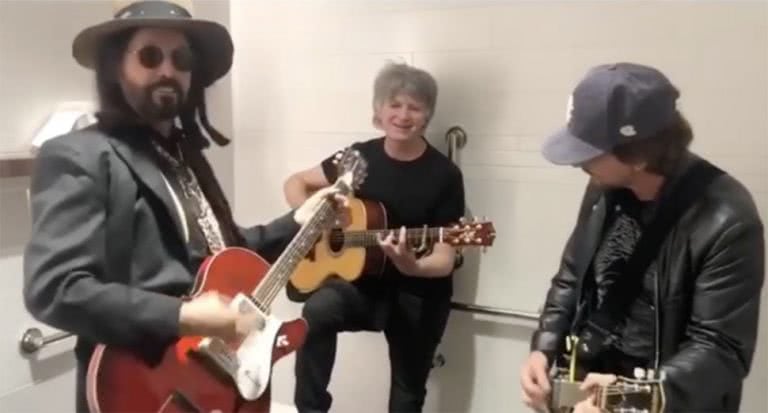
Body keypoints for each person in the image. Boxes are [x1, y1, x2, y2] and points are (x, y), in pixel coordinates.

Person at [22, 1, 344, 412]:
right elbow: (56, 288)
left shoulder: (186, 157)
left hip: (213, 383)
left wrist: (298, 221)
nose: (168, 71)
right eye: (150, 56)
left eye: (182, 58)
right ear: (116, 66)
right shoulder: (78, 155)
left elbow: (222, 254)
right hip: (143, 389)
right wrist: (182, 316)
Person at [519, 62, 764, 412]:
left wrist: (629, 397)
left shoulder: (727, 218)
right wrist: (543, 348)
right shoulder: (604, 187)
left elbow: (722, 350)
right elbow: (571, 278)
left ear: (637, 155)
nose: (578, 163)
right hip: (589, 390)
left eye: (589, 153)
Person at [283, 62, 466, 413]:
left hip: (418, 294)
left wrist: (409, 263)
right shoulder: (358, 158)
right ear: (378, 110)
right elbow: (295, 183)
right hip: (361, 286)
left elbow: (444, 260)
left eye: (414, 107)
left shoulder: (444, 175)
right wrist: (314, 221)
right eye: (394, 104)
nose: (402, 115)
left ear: (427, 115)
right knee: (316, 312)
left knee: (407, 395)